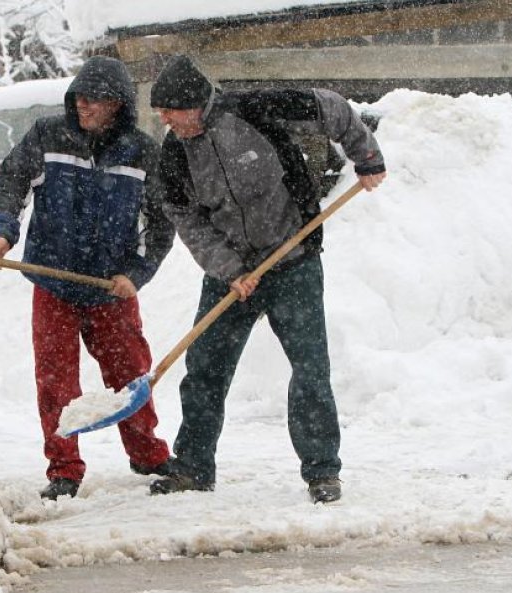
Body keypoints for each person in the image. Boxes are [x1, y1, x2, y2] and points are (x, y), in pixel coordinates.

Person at [147, 55, 387, 503]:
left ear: (196, 104)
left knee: (310, 369)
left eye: (170, 111)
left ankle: (321, 472)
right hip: (232, 273)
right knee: (204, 370)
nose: (164, 120)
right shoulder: (175, 153)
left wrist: (366, 156)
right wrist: (230, 270)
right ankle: (194, 467)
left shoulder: (256, 109)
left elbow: (331, 106)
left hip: (293, 260)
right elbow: (187, 220)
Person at [0, 56, 177, 500]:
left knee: (130, 373)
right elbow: (11, 182)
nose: (84, 106)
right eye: (80, 98)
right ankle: (64, 468)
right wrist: (2, 233)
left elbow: (161, 222)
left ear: (118, 105)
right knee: (55, 379)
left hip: (111, 287)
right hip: (53, 281)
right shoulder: (48, 134)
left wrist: (137, 273)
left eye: (96, 100)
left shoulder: (142, 151)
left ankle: (147, 453)